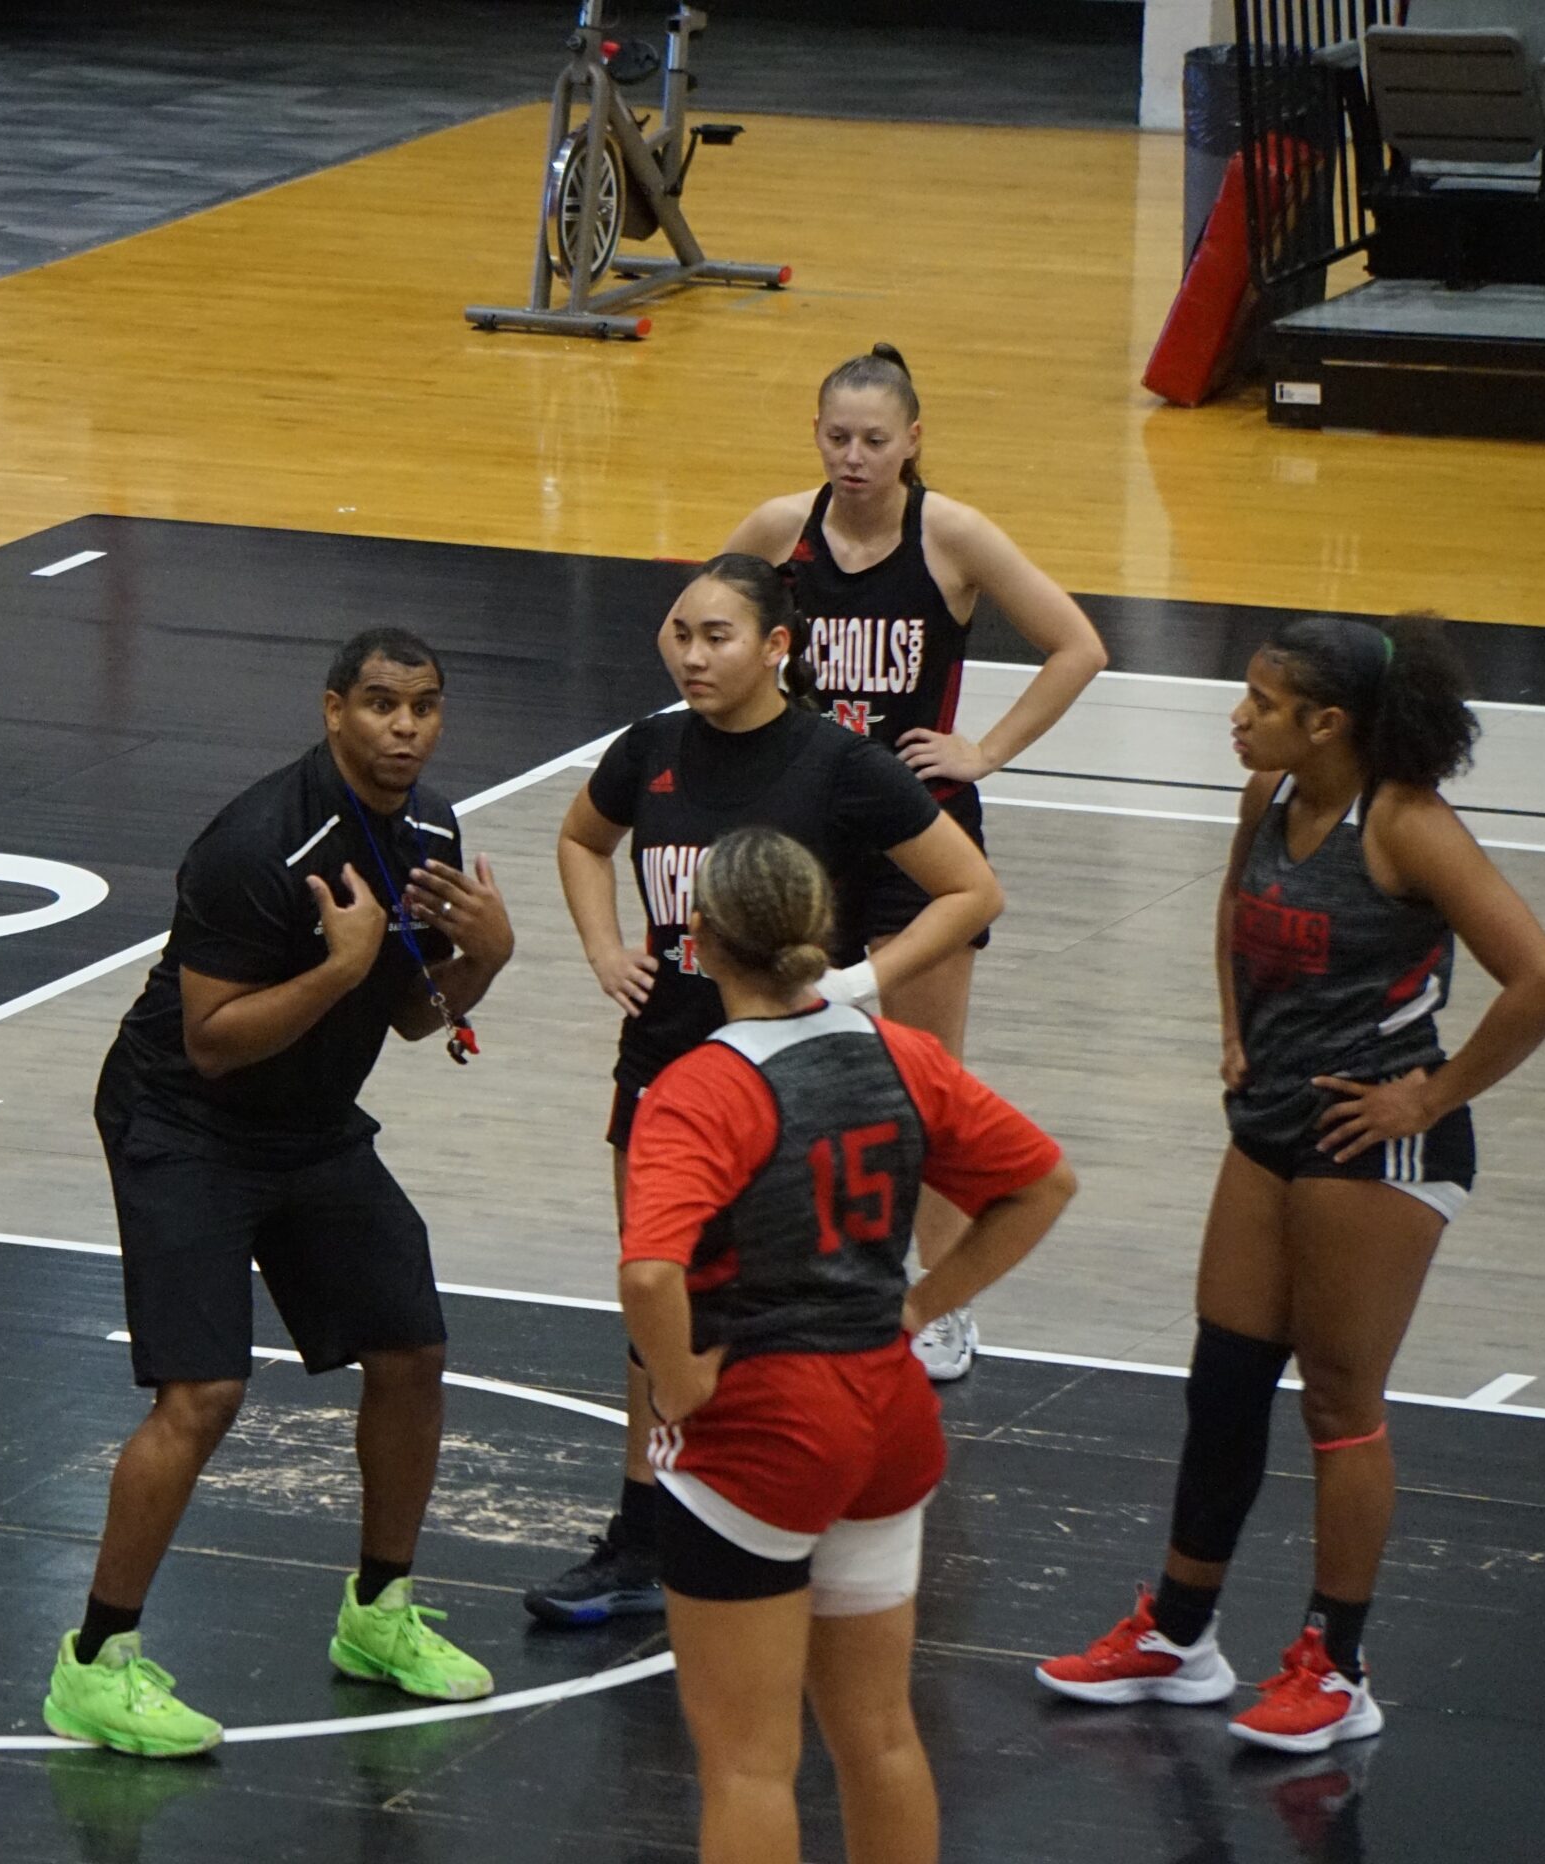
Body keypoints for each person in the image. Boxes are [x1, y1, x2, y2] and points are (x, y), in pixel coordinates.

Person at [1036, 615, 1545, 1753]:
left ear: (1326, 723)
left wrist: (1424, 1098)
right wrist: (1236, 1030)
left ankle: (1338, 1665)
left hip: (1376, 1141)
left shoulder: (1411, 826)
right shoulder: (1269, 800)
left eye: (1260, 703)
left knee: (1338, 1402)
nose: (1237, 717)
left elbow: (1544, 982)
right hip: (1271, 1123)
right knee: (1225, 1381)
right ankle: (1179, 1633)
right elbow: (1236, 914)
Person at [43, 628, 515, 1758]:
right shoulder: (256, 845)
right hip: (184, 1123)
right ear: (332, 711)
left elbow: (409, 1014)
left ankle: (378, 1617)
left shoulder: (431, 831)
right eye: (383, 705)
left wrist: (484, 959)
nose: (407, 727)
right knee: (200, 1396)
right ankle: (94, 1664)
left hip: (306, 1126)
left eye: (426, 707)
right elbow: (210, 1042)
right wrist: (340, 967)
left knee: (410, 1351)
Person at [524, 555, 1003, 1629]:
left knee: (773, 1309)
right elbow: (578, 837)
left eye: (718, 636)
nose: (692, 654)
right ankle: (644, 1532)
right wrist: (606, 947)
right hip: (662, 1067)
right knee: (653, 1309)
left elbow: (971, 887)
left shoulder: (838, 763)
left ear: (777, 646)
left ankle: (778, 1509)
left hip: (789, 1085)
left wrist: (863, 979)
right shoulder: (647, 748)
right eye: (680, 633)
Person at [620, 825, 1075, 1864]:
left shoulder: (700, 1087)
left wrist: (681, 1380)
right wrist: (924, 1305)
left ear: (699, 936)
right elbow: (1042, 1181)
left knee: (746, 1765)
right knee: (878, 1735)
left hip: (765, 1428)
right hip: (888, 1410)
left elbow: (649, 1273)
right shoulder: (900, 1052)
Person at [722, 344, 1107, 1383]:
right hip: (801, 833)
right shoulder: (775, 532)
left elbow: (1077, 645)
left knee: (918, 1078)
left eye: (874, 440)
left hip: (917, 835)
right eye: (836, 437)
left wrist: (984, 748)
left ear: (913, 441)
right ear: (815, 434)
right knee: (800, 1067)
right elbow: (703, 634)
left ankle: (940, 1300)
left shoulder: (953, 536)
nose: (853, 457)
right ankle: (813, 1273)